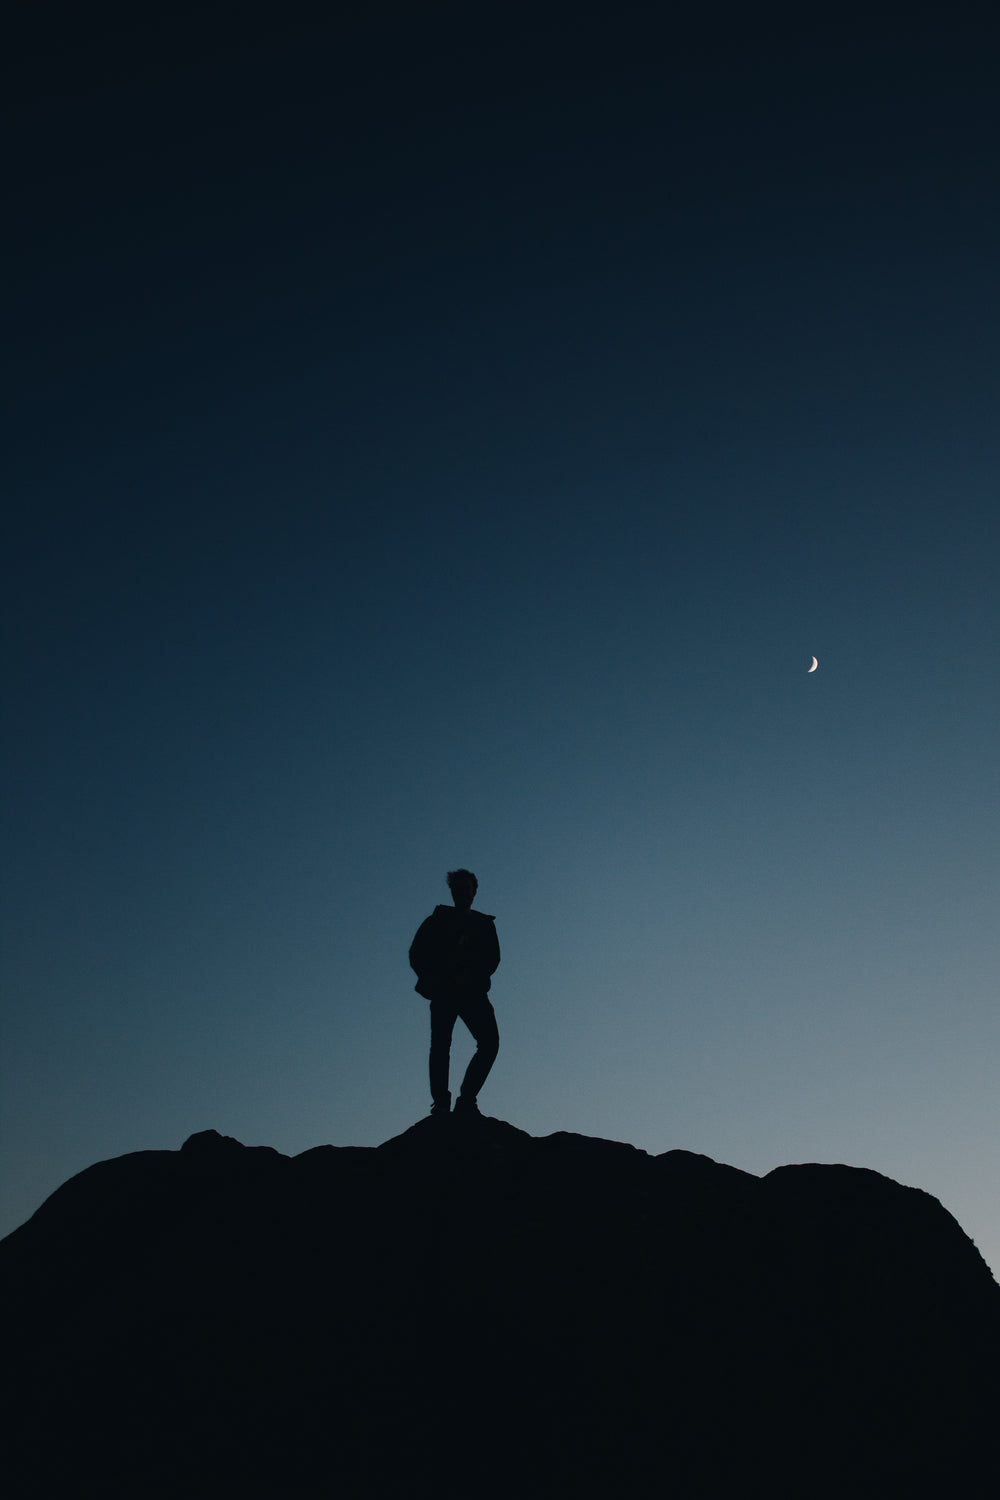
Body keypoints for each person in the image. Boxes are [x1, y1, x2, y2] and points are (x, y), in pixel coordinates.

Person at [409, 869, 500, 1117]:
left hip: (473, 992)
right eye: (458, 888)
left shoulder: (484, 924)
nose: (463, 893)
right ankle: (441, 1103)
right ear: (452, 891)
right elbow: (416, 953)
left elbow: (493, 958)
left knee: (490, 1043)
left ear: (474, 891)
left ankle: (467, 1099)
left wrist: (474, 975)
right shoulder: (436, 921)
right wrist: (432, 977)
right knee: (440, 1047)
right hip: (444, 992)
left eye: (467, 888)